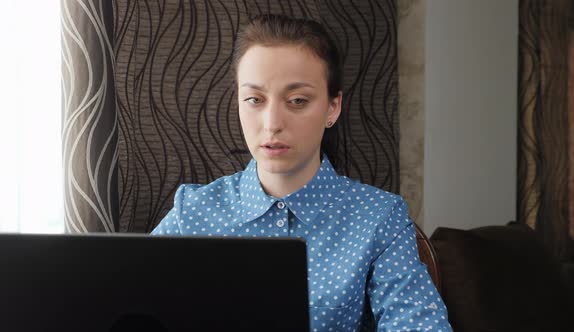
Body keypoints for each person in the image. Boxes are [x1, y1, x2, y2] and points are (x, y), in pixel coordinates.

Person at [152, 14, 452, 331]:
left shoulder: (378, 218)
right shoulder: (193, 213)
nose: (271, 123)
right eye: (254, 99)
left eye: (297, 100)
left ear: (332, 108)